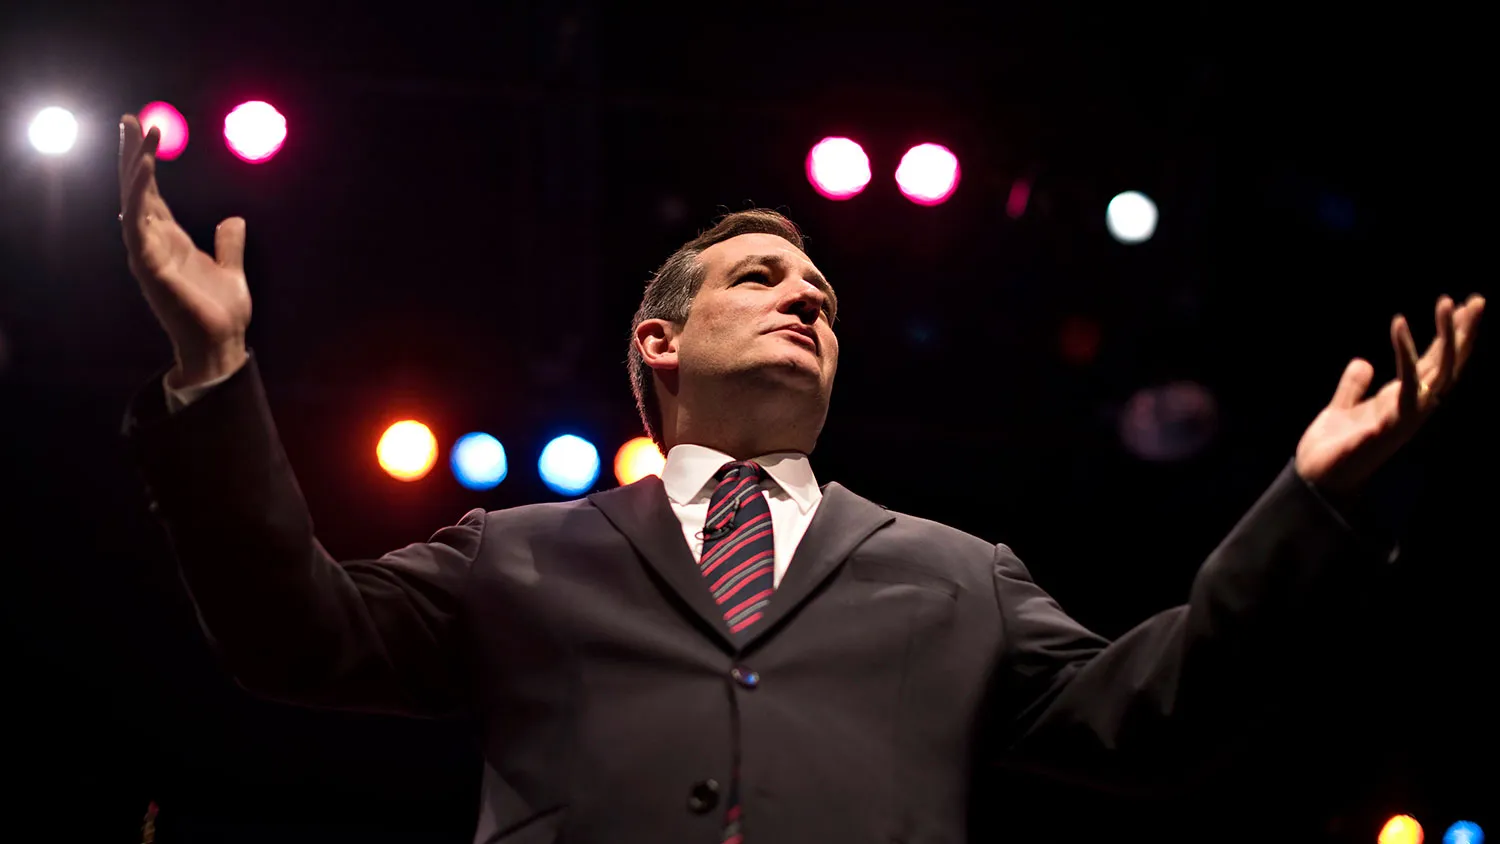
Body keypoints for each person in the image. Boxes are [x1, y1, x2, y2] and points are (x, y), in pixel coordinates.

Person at [116, 114, 1484, 844]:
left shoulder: (960, 577)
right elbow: (289, 631)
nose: (805, 298)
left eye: (821, 291)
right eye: (761, 279)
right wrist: (214, 369)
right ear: (657, 343)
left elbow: (1163, 715)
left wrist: (1311, 502)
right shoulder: (520, 555)